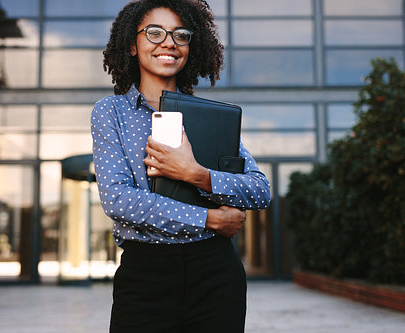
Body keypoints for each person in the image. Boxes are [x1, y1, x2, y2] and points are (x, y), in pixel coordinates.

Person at [91, 0, 271, 332]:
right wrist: (210, 217)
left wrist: (195, 174)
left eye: (181, 34)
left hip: (216, 271)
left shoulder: (210, 119)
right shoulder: (111, 112)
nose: (169, 43)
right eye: (154, 32)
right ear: (132, 44)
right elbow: (118, 200)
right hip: (146, 274)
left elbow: (260, 191)